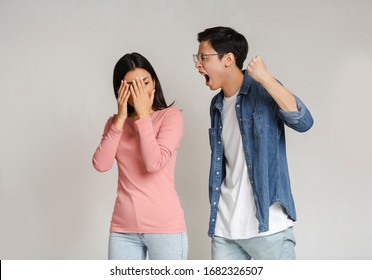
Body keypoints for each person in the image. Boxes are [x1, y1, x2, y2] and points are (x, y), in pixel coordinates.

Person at [194, 26, 314, 260]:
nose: (198, 64)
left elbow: (304, 121)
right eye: (197, 58)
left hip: (268, 227)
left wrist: (266, 78)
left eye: (203, 58)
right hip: (225, 230)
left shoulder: (263, 89)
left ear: (228, 59)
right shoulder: (216, 106)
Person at [92, 52, 187, 260]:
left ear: (154, 83)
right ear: (120, 90)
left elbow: (154, 163)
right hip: (123, 228)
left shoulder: (171, 117)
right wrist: (120, 119)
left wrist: (144, 116)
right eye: (131, 86)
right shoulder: (114, 123)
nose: (140, 91)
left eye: (144, 82)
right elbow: (101, 164)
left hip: (165, 227)